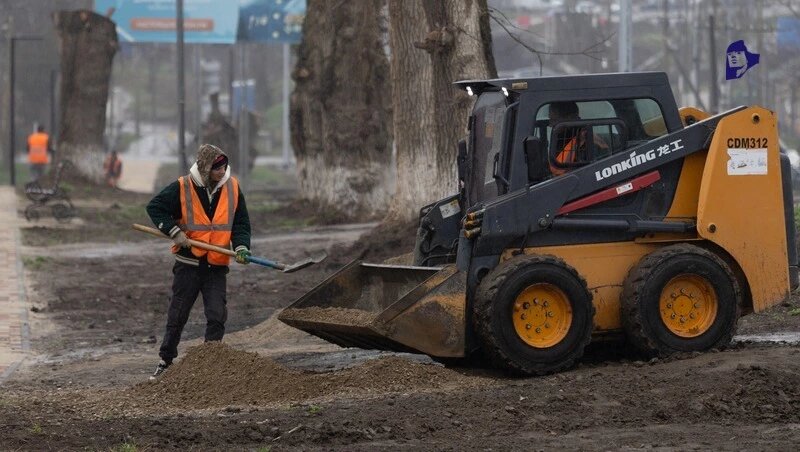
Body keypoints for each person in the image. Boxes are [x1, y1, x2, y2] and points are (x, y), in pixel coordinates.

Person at [146, 143, 251, 380]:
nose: (222, 172)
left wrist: (242, 246)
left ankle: (209, 364)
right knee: (178, 314)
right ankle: (165, 361)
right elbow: (155, 208)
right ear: (205, 168)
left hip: (217, 265)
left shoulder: (233, 188)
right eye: (216, 168)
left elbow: (241, 223)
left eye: (224, 167)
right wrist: (174, 231)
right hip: (188, 264)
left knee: (216, 315)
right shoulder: (183, 186)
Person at [548, 101, 608, 177]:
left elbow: (584, 174)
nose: (550, 125)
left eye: (554, 120)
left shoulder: (587, 143)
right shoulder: (563, 138)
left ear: (569, 118)